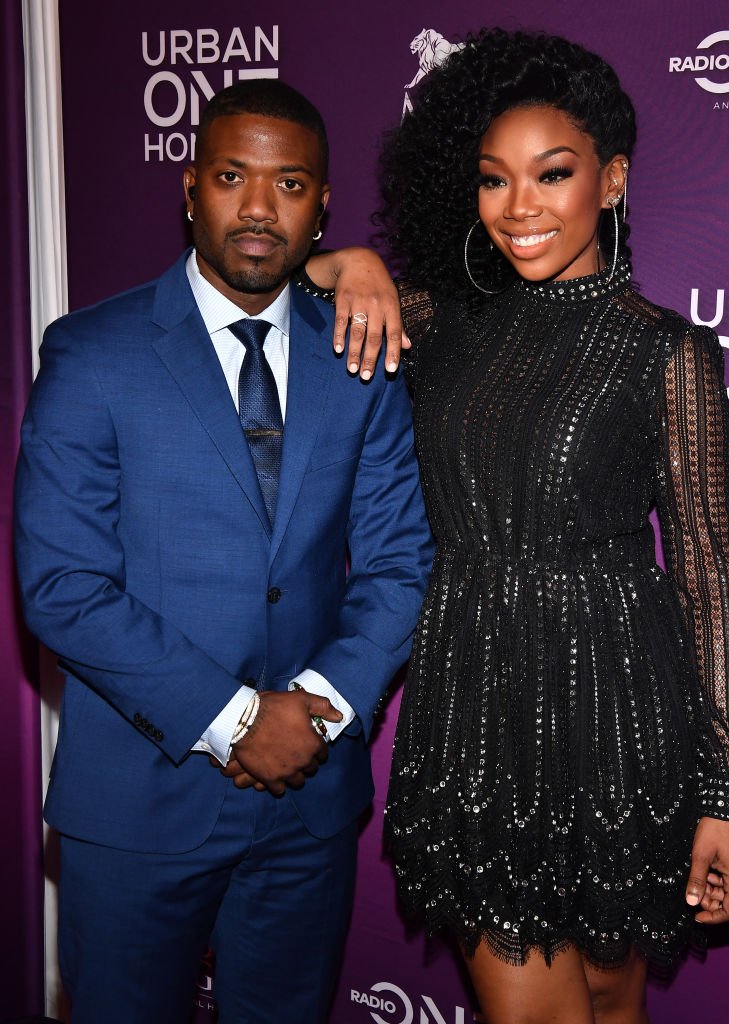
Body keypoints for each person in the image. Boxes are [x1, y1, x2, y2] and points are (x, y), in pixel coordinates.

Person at [303, 29, 729, 1024]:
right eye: (492, 179)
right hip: (476, 707)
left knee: (606, 1000)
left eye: (550, 174)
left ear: (610, 179)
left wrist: (727, 793)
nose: (518, 208)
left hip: (620, 713)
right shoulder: (440, 320)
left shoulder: (665, 352)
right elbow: (283, 289)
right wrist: (351, 263)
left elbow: (702, 578)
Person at [14, 79, 433, 1024]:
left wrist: (316, 711)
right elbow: (62, 584)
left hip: (308, 807)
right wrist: (239, 718)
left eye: (289, 184)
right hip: (136, 806)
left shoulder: (361, 354)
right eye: (233, 176)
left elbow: (401, 562)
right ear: (192, 186)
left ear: (322, 207)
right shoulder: (93, 352)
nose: (257, 207)